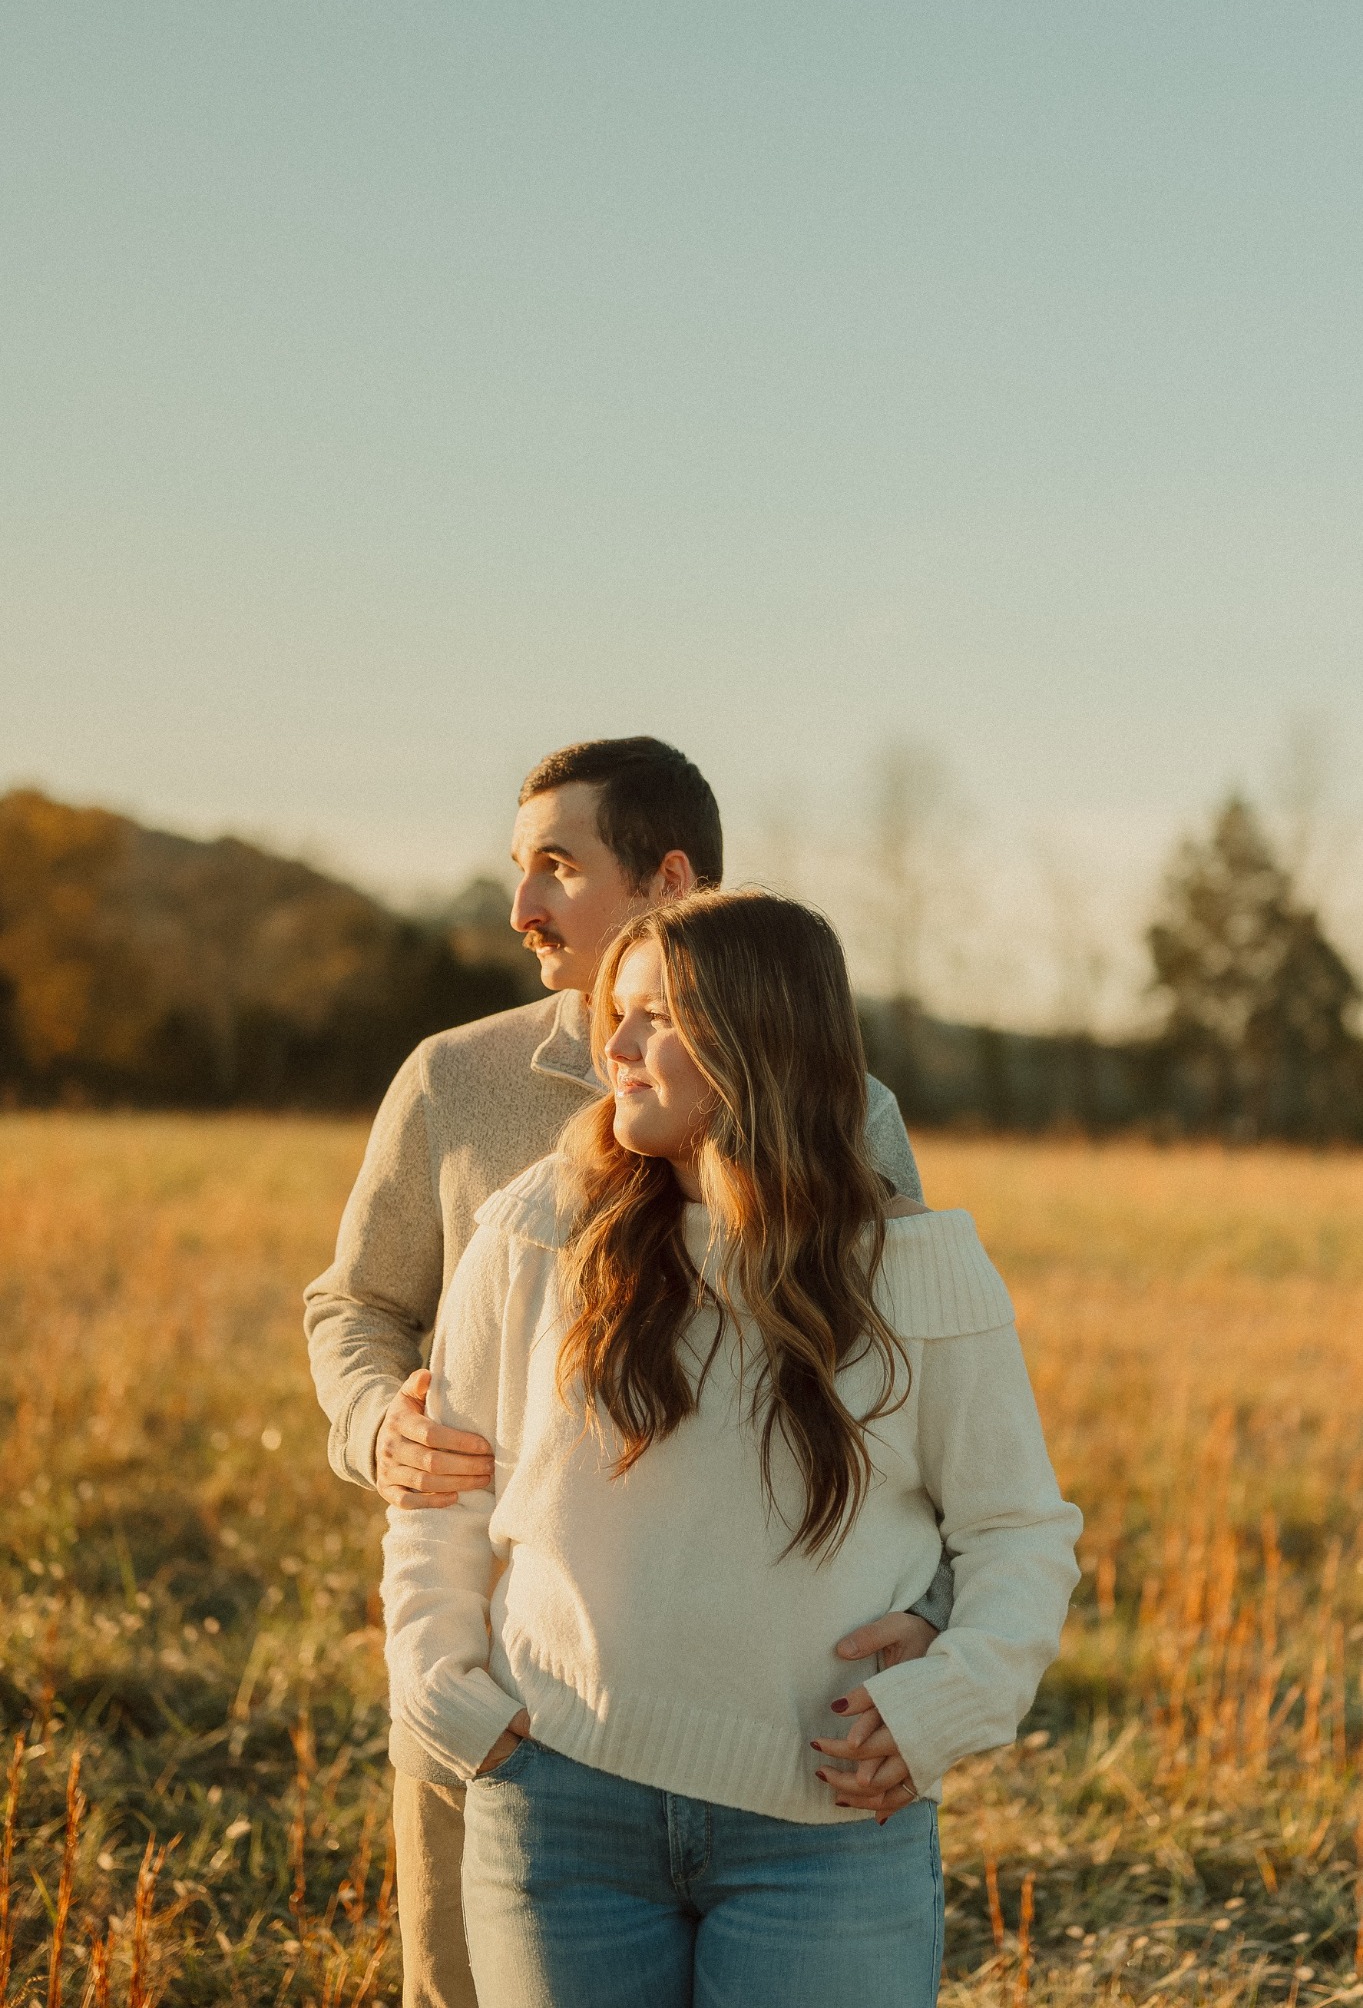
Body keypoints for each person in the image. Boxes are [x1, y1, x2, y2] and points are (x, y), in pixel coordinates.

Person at [304, 739, 950, 2008]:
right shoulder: (451, 1078)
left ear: (666, 879)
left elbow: (900, 1390)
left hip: (765, 1726)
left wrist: (930, 1614)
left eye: (556, 865)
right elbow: (357, 1304)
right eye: (517, 868)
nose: (520, 907)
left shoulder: (846, 1108)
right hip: (501, 1687)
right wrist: (378, 1422)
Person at [383, 890, 1082, 2008]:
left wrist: (946, 1704)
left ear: (761, 1039)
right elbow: (445, 1493)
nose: (611, 1045)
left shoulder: (917, 1268)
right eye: (618, 1011)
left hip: (828, 1831)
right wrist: (440, 1688)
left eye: (653, 1016)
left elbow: (1018, 1532)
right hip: (559, 1808)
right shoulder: (534, 1229)